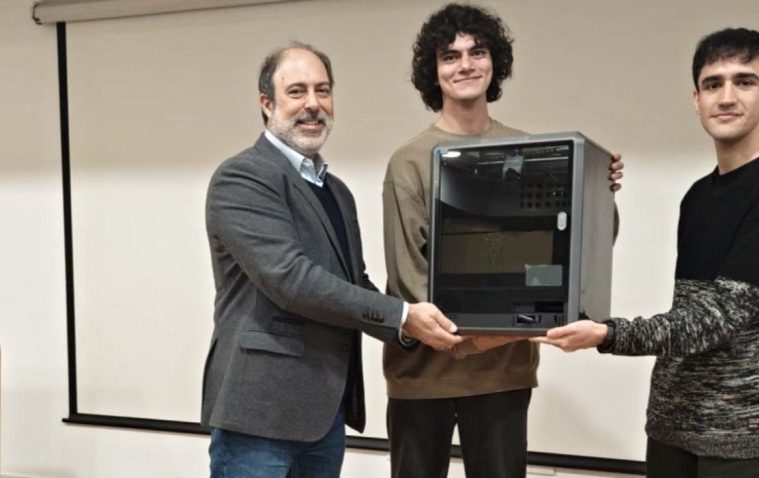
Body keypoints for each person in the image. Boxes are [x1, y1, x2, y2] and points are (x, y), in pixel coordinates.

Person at [537, 28, 759, 478]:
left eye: (744, 81)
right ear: (696, 99)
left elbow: (715, 321)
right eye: (713, 84)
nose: (726, 97)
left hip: (743, 440)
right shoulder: (698, 196)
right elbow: (687, 313)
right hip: (673, 429)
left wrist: (607, 334)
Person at [380, 4, 623, 477]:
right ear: (433, 71)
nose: (465, 65)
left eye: (478, 52)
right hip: (422, 380)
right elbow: (410, 281)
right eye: (450, 56)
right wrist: (493, 334)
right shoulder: (409, 162)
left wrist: (600, 188)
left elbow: (576, 251)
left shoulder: (533, 151)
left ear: (495, 62)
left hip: (502, 376)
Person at [201, 42, 463, 478]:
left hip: (324, 415)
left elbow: (354, 282)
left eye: (322, 91)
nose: (313, 104)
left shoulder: (336, 191)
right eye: (297, 91)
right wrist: (402, 315)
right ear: (267, 104)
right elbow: (291, 280)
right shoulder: (243, 177)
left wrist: (415, 328)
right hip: (259, 416)